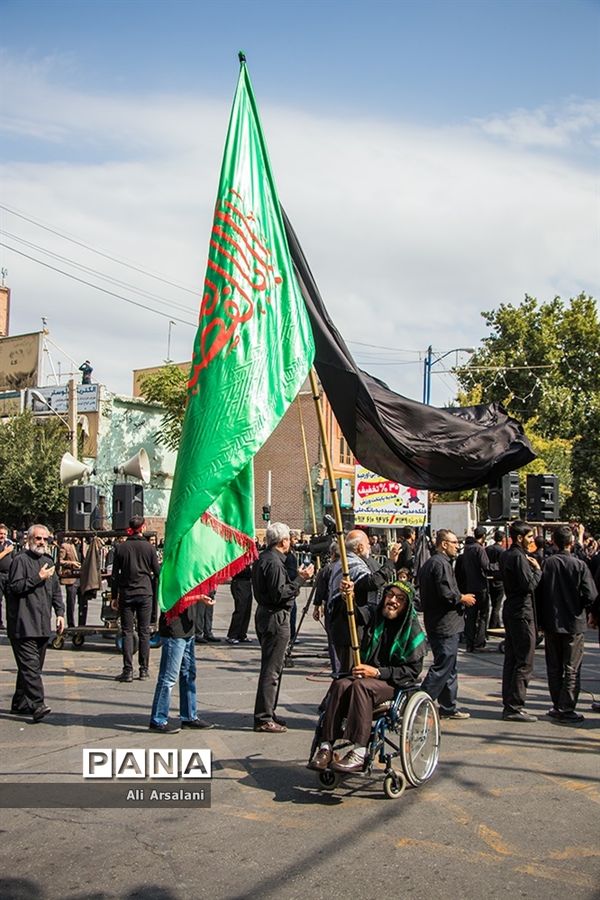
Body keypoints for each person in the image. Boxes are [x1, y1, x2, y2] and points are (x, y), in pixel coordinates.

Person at [308, 580, 426, 772]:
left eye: (400, 598)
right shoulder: (375, 615)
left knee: (360, 687)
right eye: (390, 595)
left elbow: (411, 672)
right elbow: (355, 615)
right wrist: (348, 597)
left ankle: (360, 751)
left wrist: (378, 672)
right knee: (340, 685)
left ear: (407, 604)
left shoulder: (411, 631)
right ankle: (326, 747)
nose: (393, 601)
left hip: (390, 683)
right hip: (365, 677)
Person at [252, 522, 313, 733]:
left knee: (272, 667)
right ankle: (264, 717)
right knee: (272, 669)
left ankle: (268, 710)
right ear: (283, 541)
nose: (290, 543)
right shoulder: (274, 563)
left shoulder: (264, 558)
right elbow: (281, 593)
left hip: (266, 614)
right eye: (288, 539)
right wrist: (300, 580)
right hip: (274, 617)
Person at [537, 525, 598, 725]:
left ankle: (557, 705)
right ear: (571, 543)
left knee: (554, 667)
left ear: (553, 541)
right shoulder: (579, 565)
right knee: (572, 667)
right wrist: (585, 610)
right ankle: (567, 707)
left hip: (552, 622)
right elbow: (590, 595)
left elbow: (538, 592)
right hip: (573, 622)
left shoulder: (547, 564)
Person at [6, 524, 64, 721]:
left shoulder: (48, 561)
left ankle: (19, 703)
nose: (42, 542)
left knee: (31, 668)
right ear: (28, 540)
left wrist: (60, 613)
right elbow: (14, 587)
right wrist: (37, 578)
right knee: (31, 668)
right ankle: (37, 704)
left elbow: (55, 590)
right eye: (38, 538)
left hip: (41, 625)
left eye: (45, 539)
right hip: (23, 625)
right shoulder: (20, 561)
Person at [419, 529, 476, 719]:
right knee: (443, 665)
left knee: (450, 668)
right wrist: (462, 598)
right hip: (444, 623)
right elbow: (446, 594)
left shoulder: (434, 563)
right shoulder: (439, 564)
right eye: (454, 543)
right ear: (443, 544)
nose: (457, 546)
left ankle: (448, 706)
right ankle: (419, 702)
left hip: (443, 622)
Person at [327, 530, 399, 673]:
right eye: (367, 544)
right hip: (348, 625)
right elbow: (372, 582)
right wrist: (390, 562)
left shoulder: (346, 561)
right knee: (350, 672)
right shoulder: (350, 564)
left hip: (349, 622)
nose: (370, 547)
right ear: (360, 547)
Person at [149, 597, 217, 734]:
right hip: (175, 629)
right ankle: (158, 719)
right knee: (168, 677)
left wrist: (200, 595)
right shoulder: (170, 575)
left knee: (189, 674)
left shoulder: (184, 575)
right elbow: (175, 596)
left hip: (188, 628)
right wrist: (199, 597)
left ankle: (189, 716)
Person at [500, 520, 542, 722]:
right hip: (521, 612)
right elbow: (528, 586)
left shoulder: (507, 555)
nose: (532, 540)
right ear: (519, 538)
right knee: (524, 660)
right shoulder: (518, 557)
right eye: (529, 537)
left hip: (512, 610)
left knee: (512, 658)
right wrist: (537, 571)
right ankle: (515, 705)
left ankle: (509, 702)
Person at [111, 516, 160, 683]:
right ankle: (144, 670)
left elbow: (114, 575)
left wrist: (114, 595)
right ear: (143, 527)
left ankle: (128, 670)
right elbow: (158, 571)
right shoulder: (149, 548)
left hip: (126, 593)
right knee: (144, 631)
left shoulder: (121, 548)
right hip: (145, 592)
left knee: (127, 631)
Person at [455, 525, 490, 652]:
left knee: (471, 616)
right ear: (483, 536)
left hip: (469, 586)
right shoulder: (479, 549)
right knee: (483, 615)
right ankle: (479, 641)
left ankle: (470, 642)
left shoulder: (466, 550)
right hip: (480, 587)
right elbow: (486, 566)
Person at [226, 565, 254, 644]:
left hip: (247, 582)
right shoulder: (238, 558)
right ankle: (232, 635)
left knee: (247, 610)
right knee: (240, 609)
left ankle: (242, 634)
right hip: (239, 582)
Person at [59, 537, 81, 629]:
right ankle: (71, 625)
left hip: (83, 577)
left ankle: (82, 625)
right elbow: (60, 561)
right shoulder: (65, 546)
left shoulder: (85, 545)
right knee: (71, 603)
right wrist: (72, 563)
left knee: (83, 603)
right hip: (71, 577)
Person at [486, 529, 506, 629]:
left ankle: (496, 622)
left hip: (489, 578)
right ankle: (493, 625)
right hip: (499, 579)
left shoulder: (488, 549)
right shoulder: (502, 551)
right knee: (497, 605)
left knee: (493, 602)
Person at [0, 522, 15, 629]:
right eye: (0, 534)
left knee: (11, 600)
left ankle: (11, 623)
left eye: (4, 534)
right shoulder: (6, 548)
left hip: (9, 575)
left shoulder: (8, 544)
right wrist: (5, 552)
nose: (2, 536)